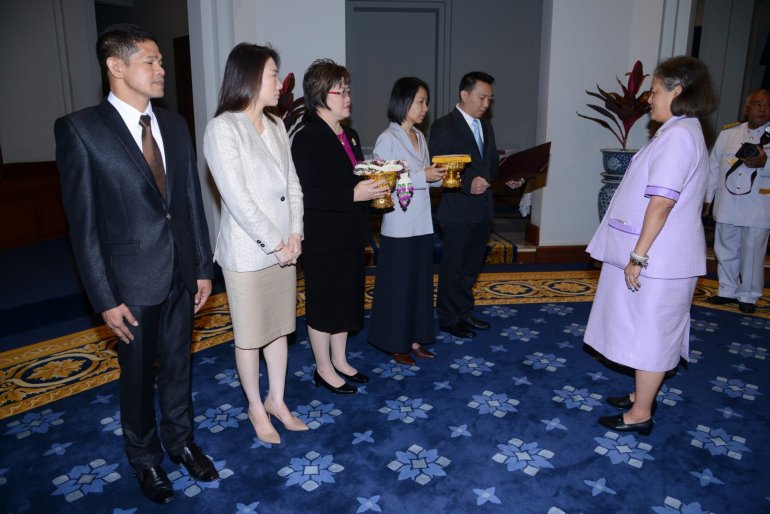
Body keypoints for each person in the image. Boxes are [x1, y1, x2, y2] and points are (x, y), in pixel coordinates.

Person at [54, 24, 218, 504]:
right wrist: (104, 298)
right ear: (116, 66)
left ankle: (181, 442)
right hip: (128, 283)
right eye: (150, 60)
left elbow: (189, 203)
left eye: (161, 61)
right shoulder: (80, 129)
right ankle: (145, 460)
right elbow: (83, 226)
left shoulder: (175, 124)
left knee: (179, 367)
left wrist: (202, 267)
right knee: (138, 377)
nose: (161, 69)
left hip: (181, 273)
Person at [584, 56, 718, 435]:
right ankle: (640, 395)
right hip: (663, 255)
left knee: (652, 335)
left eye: (655, 91)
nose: (649, 98)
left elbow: (662, 203)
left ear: (678, 91)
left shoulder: (679, 136)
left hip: (661, 258)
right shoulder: (677, 130)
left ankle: (640, 414)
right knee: (643, 328)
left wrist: (638, 255)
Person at [203, 44, 308, 446]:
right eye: (272, 74)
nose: (280, 83)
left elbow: (292, 184)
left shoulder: (277, 125)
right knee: (249, 336)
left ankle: (276, 400)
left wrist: (295, 233)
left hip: (285, 248)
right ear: (248, 77)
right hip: (248, 253)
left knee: (279, 329)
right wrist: (276, 243)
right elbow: (237, 198)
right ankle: (254, 407)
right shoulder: (223, 129)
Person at [291, 59, 387, 394]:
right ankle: (323, 368)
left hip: (350, 232)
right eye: (340, 92)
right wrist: (353, 193)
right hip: (323, 237)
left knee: (346, 300)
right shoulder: (307, 137)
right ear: (320, 95)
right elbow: (308, 193)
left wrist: (373, 184)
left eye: (348, 91)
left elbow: (352, 177)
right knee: (324, 305)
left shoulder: (350, 135)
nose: (348, 98)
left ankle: (340, 360)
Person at [428, 72, 522, 339]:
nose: (486, 104)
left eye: (490, 99)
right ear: (464, 94)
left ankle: (464, 312)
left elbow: (489, 167)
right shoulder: (444, 126)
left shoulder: (485, 126)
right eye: (482, 98)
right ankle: (448, 318)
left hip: (483, 208)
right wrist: (468, 183)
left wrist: (509, 179)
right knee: (453, 268)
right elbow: (439, 167)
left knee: (470, 268)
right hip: (457, 210)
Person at [368, 77, 446, 365]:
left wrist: (442, 176)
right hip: (399, 225)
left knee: (419, 284)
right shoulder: (387, 139)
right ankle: (394, 342)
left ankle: (414, 339)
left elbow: (424, 180)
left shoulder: (420, 137)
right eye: (420, 102)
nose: (425, 108)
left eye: (426, 102)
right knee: (399, 286)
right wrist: (422, 176)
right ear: (403, 102)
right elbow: (383, 184)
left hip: (422, 224)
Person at [704, 89, 770, 314]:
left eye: (768, 105)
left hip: (758, 204)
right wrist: (708, 198)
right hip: (727, 202)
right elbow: (713, 167)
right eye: (757, 103)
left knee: (752, 253)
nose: (762, 108)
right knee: (725, 248)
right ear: (746, 108)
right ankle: (726, 290)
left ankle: (748, 295)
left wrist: (764, 163)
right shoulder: (729, 134)